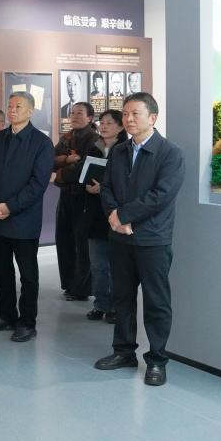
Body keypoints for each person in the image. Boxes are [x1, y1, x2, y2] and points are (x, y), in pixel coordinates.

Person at [94, 92, 185, 386]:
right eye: (125, 114)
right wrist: (114, 216)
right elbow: (107, 187)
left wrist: (124, 216)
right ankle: (124, 352)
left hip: (152, 239)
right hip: (120, 238)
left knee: (156, 301)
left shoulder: (170, 153)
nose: (129, 119)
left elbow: (161, 195)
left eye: (135, 114)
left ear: (152, 118)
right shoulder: (119, 151)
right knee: (122, 297)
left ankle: (157, 360)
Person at [0, 92, 54, 342]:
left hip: (23, 220)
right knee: (0, 271)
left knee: (28, 274)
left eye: (18, 106)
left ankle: (27, 322)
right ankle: (5, 315)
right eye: (10, 106)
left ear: (31, 111)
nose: (12, 110)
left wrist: (10, 206)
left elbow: (38, 184)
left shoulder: (42, 143)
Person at [83, 109, 127, 323]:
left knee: (116, 266)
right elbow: (84, 175)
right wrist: (88, 186)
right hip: (95, 215)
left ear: (120, 126)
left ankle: (116, 307)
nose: (104, 126)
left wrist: (104, 189)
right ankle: (100, 304)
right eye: (102, 122)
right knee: (98, 265)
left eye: (109, 122)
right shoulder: (95, 148)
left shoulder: (126, 149)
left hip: (117, 214)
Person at [53, 102, 99, 300]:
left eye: (80, 113)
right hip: (66, 195)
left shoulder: (94, 139)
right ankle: (69, 284)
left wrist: (61, 174)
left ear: (90, 118)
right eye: (72, 113)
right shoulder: (66, 137)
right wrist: (66, 160)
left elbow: (85, 169)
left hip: (84, 197)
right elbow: (50, 160)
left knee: (81, 243)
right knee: (63, 239)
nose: (75, 116)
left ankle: (82, 289)